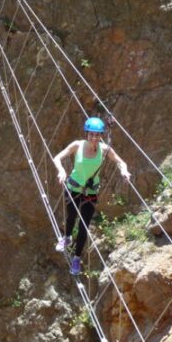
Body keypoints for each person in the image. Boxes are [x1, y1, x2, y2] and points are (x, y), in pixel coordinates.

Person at [53, 117, 131, 275]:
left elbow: (121, 162)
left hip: (90, 192)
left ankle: (76, 258)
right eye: (91, 134)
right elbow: (57, 158)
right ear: (86, 133)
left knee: (84, 227)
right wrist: (61, 171)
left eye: (97, 135)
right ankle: (67, 237)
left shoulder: (104, 149)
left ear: (101, 135)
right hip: (73, 187)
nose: (94, 138)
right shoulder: (77, 145)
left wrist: (124, 170)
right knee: (71, 217)